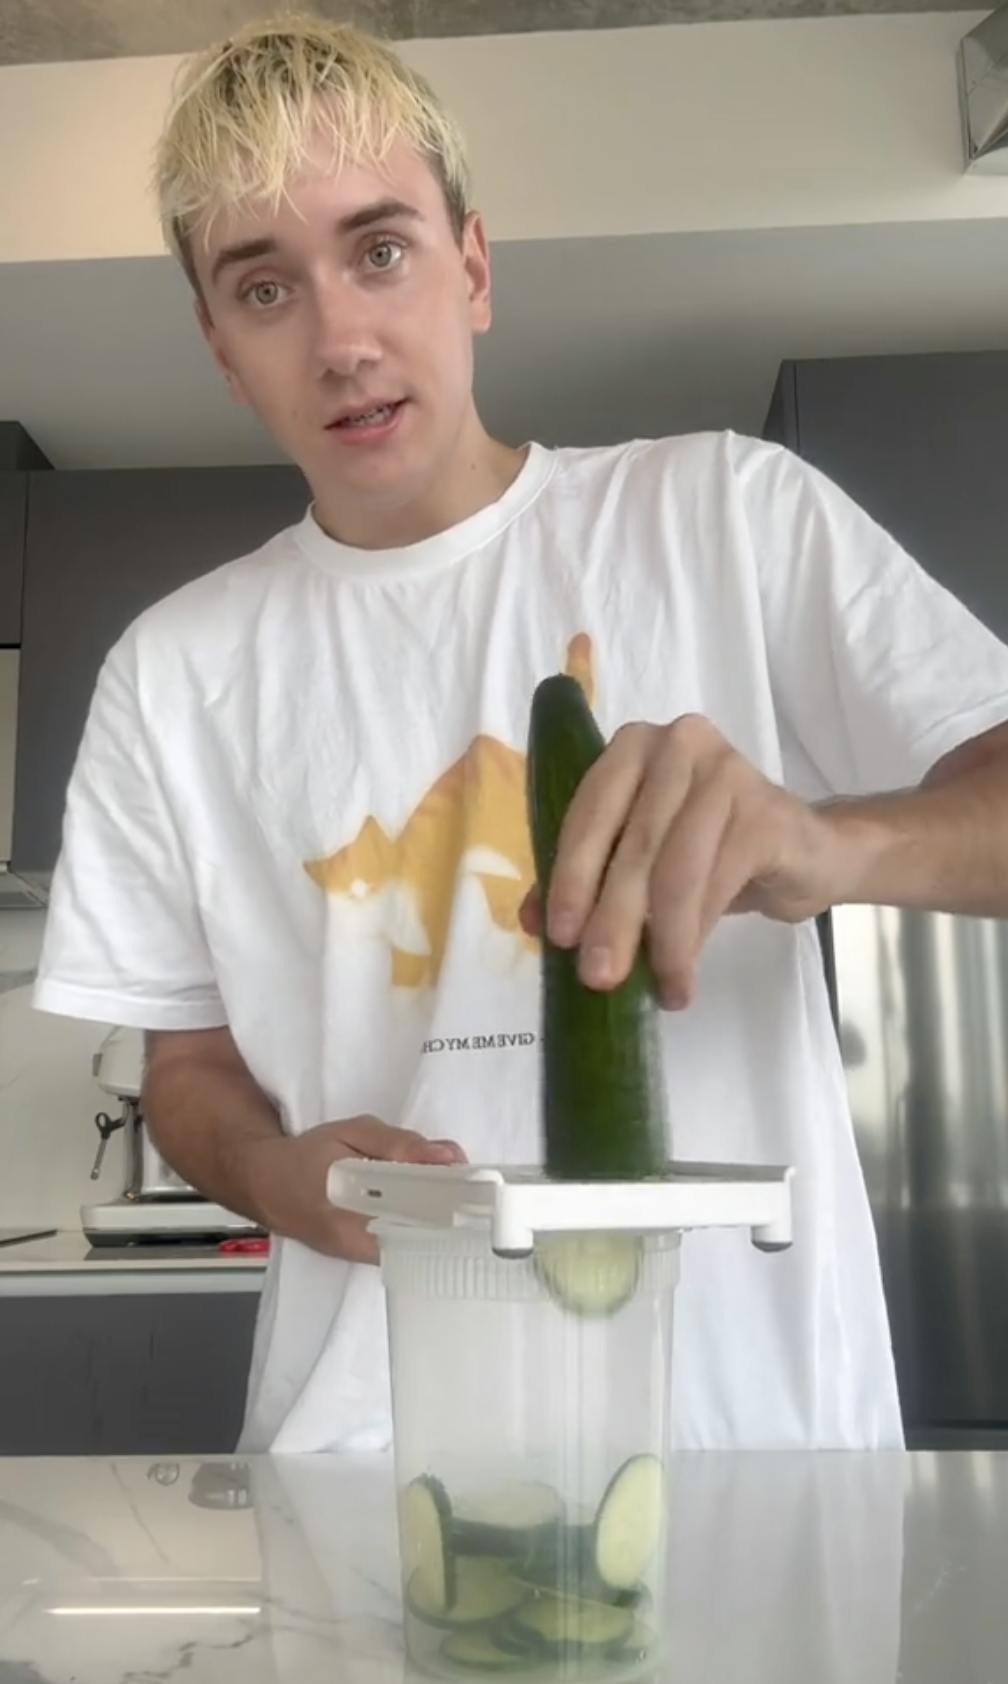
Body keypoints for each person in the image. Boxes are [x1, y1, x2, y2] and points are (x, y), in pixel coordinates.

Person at [32, 13, 1008, 1453]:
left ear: (472, 266)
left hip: (754, 1447)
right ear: (221, 348)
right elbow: (189, 1072)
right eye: (264, 287)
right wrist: (278, 1173)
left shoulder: (731, 516)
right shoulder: (172, 672)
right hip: (369, 1455)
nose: (342, 337)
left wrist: (823, 841)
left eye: (380, 249)